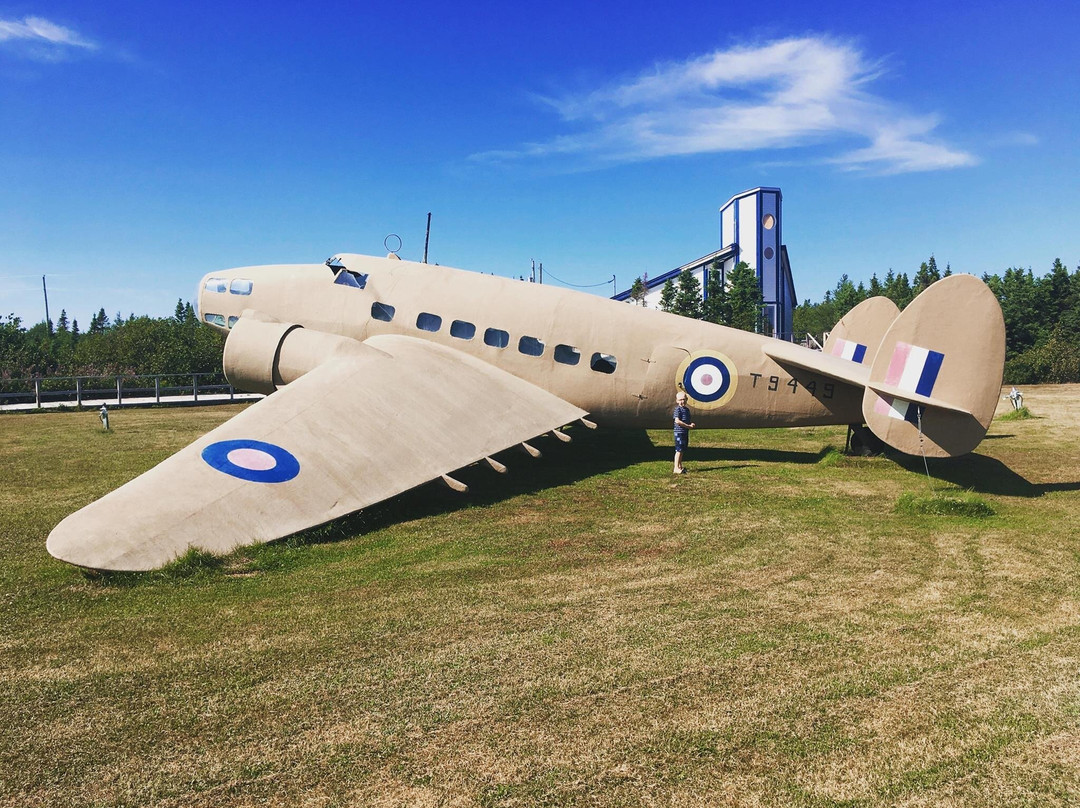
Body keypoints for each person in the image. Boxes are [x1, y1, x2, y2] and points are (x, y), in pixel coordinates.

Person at [673, 391, 695, 474]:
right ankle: (675, 468)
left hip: (685, 432)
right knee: (678, 450)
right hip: (679, 432)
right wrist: (688, 426)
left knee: (682, 450)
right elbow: (677, 421)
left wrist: (690, 424)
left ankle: (680, 466)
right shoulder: (677, 409)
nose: (682, 401)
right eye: (680, 400)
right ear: (677, 401)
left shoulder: (686, 410)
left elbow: (686, 420)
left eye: (684, 399)